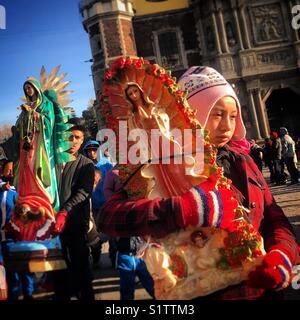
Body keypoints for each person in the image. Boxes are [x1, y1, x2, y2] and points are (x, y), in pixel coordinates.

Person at [98, 65, 299, 300]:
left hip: (260, 287)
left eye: (233, 116)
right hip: (199, 291)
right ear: (192, 113)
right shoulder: (155, 162)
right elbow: (108, 217)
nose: (227, 126)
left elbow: (273, 215)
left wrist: (281, 255)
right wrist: (178, 209)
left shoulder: (243, 160)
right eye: (217, 114)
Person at [52, 118, 95, 301]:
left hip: (76, 226)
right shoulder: (54, 161)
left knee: (81, 271)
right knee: (59, 273)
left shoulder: (86, 164)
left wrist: (65, 211)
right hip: (54, 227)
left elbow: (82, 194)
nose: (74, 140)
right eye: (70, 136)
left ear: (82, 139)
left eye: (78, 137)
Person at [0, 160, 34, 300]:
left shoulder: (17, 192)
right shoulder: (4, 190)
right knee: (5, 275)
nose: (12, 174)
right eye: (8, 170)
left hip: (16, 239)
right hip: (2, 241)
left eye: (14, 171)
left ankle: (28, 295)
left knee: (23, 271)